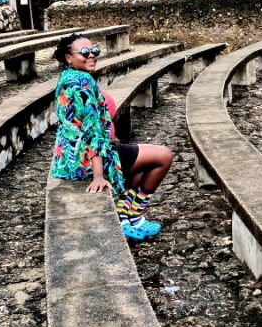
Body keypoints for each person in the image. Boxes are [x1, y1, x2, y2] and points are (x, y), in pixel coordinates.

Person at [50, 33, 174, 241]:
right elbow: (92, 131)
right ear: (68, 58)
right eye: (84, 52)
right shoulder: (82, 83)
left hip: (67, 160)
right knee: (163, 156)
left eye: (94, 51)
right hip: (86, 161)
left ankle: (128, 216)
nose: (91, 55)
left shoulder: (67, 78)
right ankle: (133, 213)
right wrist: (98, 175)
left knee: (139, 160)